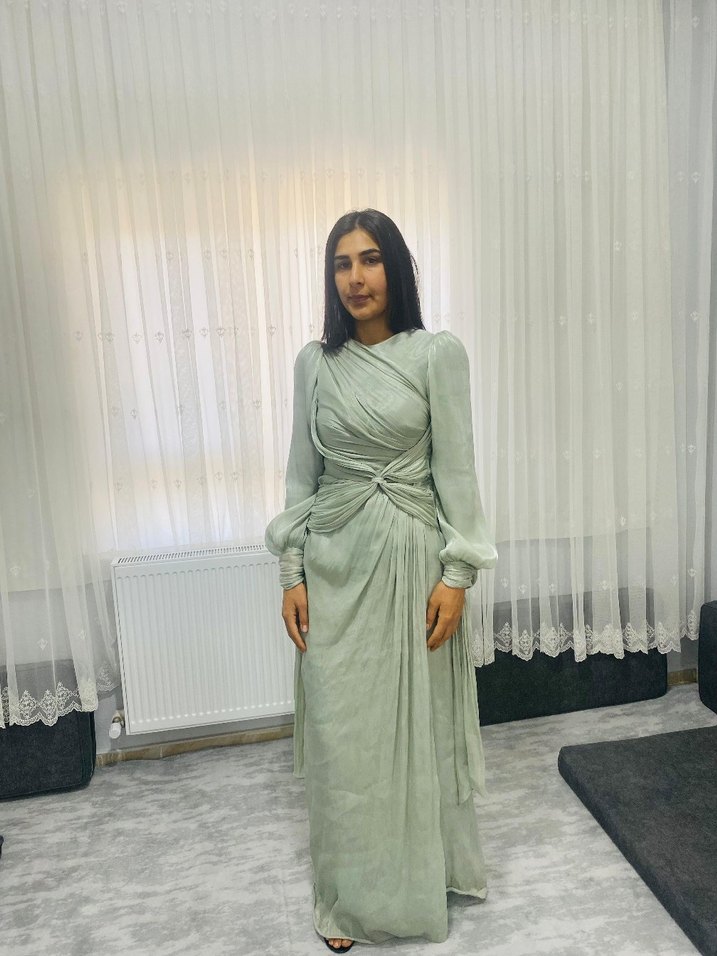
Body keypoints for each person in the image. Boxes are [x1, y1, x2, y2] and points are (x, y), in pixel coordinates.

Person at [265, 209, 498, 952]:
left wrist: (457, 573)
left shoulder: (436, 354)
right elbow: (300, 476)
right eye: (342, 264)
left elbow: (457, 473)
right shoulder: (314, 364)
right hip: (332, 567)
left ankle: (420, 878)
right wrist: (291, 570)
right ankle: (350, 901)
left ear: (396, 269)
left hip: (411, 565)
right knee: (342, 739)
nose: (356, 277)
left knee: (413, 731)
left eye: (370, 260)